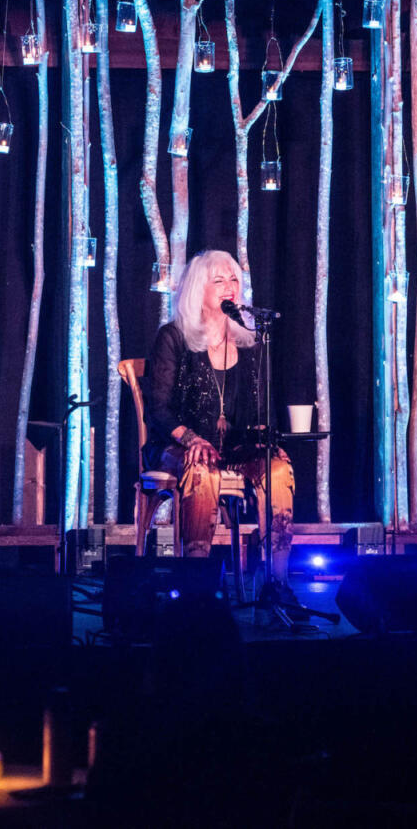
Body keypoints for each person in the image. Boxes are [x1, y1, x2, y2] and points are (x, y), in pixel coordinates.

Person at [142, 249, 295, 586]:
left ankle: (277, 581)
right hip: (178, 445)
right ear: (199, 287)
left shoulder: (248, 342)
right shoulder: (174, 337)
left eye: (234, 280)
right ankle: (197, 582)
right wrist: (191, 438)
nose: (230, 287)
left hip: (234, 449)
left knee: (279, 466)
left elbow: (257, 411)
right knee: (201, 468)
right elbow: (159, 408)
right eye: (219, 280)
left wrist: (261, 435)